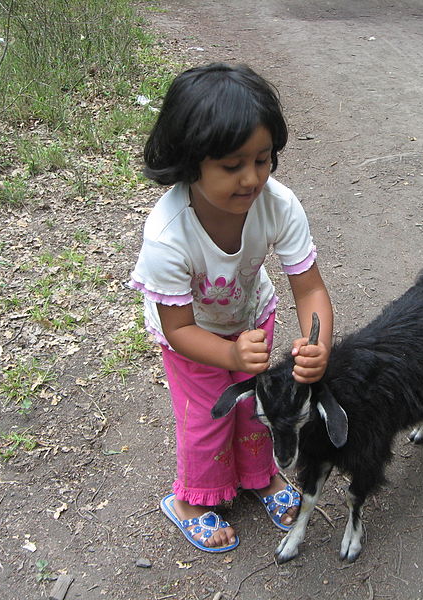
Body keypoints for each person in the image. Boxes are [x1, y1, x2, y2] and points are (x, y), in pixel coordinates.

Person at [129, 63, 333, 552]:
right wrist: (228, 358)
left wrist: (317, 342)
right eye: (231, 166)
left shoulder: (279, 205)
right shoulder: (167, 235)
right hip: (192, 337)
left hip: (250, 318)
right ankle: (191, 502)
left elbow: (309, 289)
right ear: (189, 161)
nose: (251, 179)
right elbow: (177, 328)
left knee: (259, 409)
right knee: (206, 417)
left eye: (262, 160)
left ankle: (258, 476)